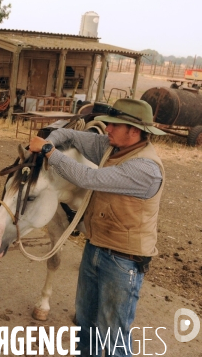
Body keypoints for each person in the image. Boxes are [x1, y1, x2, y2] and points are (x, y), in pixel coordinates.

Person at [29, 99, 166, 357]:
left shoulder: (145, 168)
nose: (107, 129)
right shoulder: (111, 147)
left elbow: (88, 178)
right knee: (86, 327)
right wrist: (52, 138)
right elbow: (70, 134)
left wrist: (48, 150)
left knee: (114, 336)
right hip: (95, 247)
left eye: (114, 125)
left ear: (134, 131)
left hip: (123, 261)